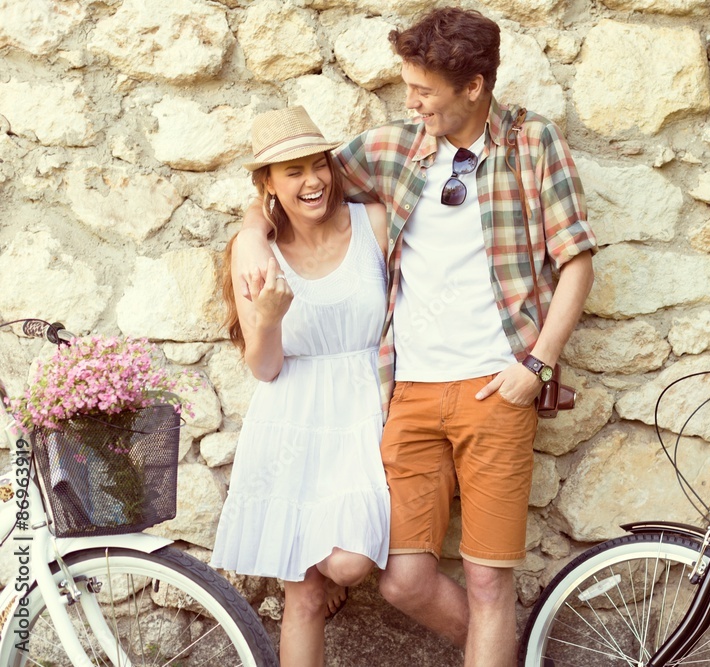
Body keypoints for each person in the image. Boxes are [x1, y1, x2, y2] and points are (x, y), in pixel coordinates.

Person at [236, 8, 596, 665]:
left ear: (474, 86)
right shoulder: (395, 148)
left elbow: (576, 261)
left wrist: (537, 365)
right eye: (409, 86)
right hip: (411, 395)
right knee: (404, 579)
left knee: (489, 581)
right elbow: (291, 181)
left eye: (424, 90)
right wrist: (252, 235)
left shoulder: (533, 144)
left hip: (497, 388)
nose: (412, 102)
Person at [212, 106, 391, 667]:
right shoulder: (253, 253)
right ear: (267, 184)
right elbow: (264, 368)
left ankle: (322, 561)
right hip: (293, 416)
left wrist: (252, 222)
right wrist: (265, 319)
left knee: (345, 563)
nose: (312, 181)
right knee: (305, 595)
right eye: (292, 172)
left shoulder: (374, 222)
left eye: (319, 165)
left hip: (366, 406)